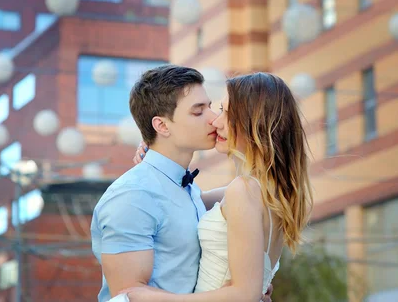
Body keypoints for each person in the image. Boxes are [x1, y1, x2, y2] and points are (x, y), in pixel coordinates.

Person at [121, 72, 314, 302]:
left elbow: (244, 293)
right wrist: (158, 149)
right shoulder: (266, 191)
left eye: (226, 112)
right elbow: (186, 200)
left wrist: (150, 297)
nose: (215, 121)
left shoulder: (243, 191)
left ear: (254, 122)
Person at [91, 65, 272, 302]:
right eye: (198, 112)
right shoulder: (132, 197)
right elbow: (127, 296)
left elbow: (251, 193)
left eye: (210, 107)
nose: (214, 119)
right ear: (162, 126)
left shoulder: (188, 190)